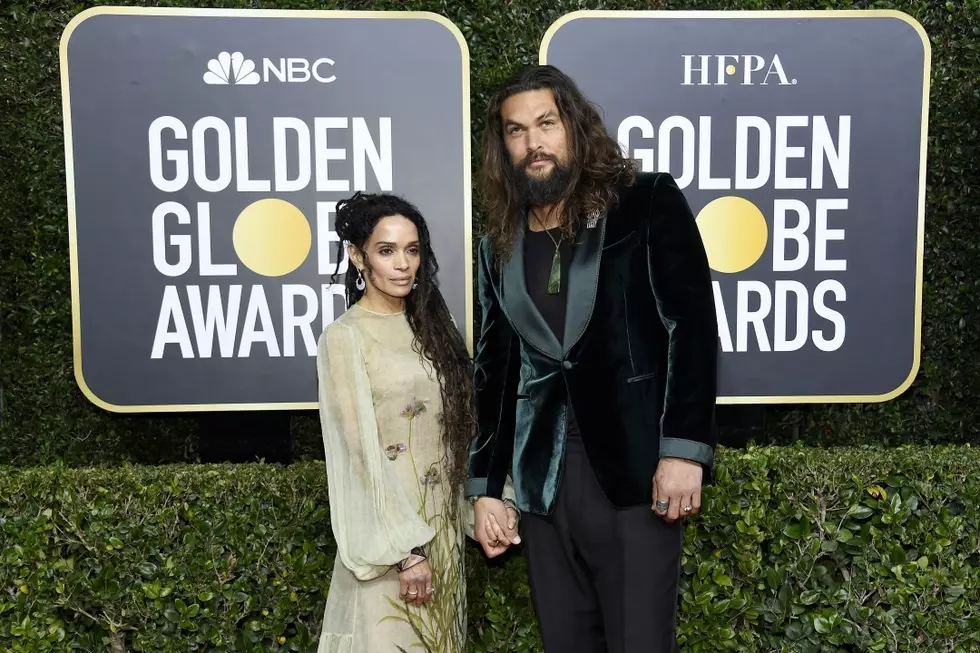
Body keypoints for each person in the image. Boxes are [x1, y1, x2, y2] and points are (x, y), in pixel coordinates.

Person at [465, 64, 719, 652]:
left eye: (546, 123)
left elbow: (693, 327)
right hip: (542, 487)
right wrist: (485, 486)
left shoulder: (645, 202)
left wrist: (683, 449)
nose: (534, 142)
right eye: (516, 131)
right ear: (503, 147)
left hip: (633, 475)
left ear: (574, 126)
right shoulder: (497, 247)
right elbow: (494, 374)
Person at [315, 192, 515, 652]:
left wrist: (493, 503)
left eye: (412, 250)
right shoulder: (344, 339)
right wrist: (405, 554)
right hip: (391, 552)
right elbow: (359, 457)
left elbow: (462, 432)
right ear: (356, 255)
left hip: (440, 540)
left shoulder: (435, 329)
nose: (403, 264)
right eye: (386, 250)